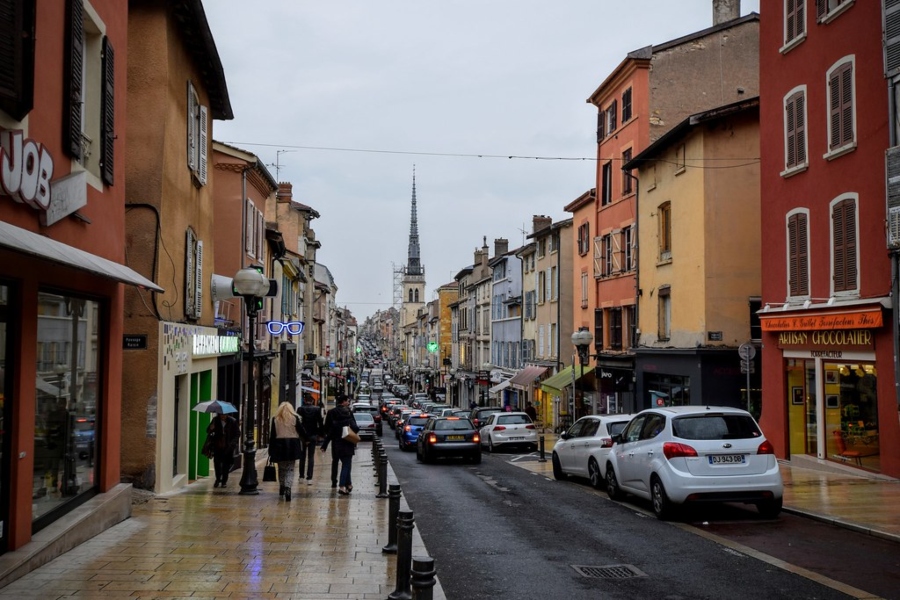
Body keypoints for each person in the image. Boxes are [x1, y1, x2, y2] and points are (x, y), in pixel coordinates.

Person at [320, 393, 360, 495]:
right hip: (348, 442)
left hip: (336, 442)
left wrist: (324, 445)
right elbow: (356, 428)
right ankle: (342, 486)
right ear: (344, 402)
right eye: (347, 401)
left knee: (337, 462)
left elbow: (328, 430)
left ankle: (339, 482)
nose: (348, 403)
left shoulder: (332, 415)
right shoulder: (349, 415)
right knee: (346, 465)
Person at [268, 402, 304, 501]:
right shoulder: (295, 418)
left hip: (279, 445)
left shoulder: (275, 419)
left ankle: (282, 486)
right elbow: (301, 431)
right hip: (293, 445)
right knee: (290, 468)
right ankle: (288, 487)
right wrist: (307, 439)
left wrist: (271, 450)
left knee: (281, 468)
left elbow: (272, 436)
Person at [206, 411, 240, 488]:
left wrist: (232, 444)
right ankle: (218, 479)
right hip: (217, 446)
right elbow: (208, 430)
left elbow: (237, 433)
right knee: (217, 464)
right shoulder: (215, 420)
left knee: (226, 465)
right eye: (221, 415)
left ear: (227, 414)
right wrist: (211, 428)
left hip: (228, 447)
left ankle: (224, 481)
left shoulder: (232, 421)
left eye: (224, 415)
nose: (223, 416)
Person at [297, 393, 324, 486]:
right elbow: (320, 422)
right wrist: (321, 434)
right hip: (313, 435)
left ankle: (301, 476)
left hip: (302, 436)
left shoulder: (300, 409)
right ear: (312, 401)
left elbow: (298, 423)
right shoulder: (317, 409)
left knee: (302, 456)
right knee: (311, 456)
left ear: (305, 400)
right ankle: (309, 478)